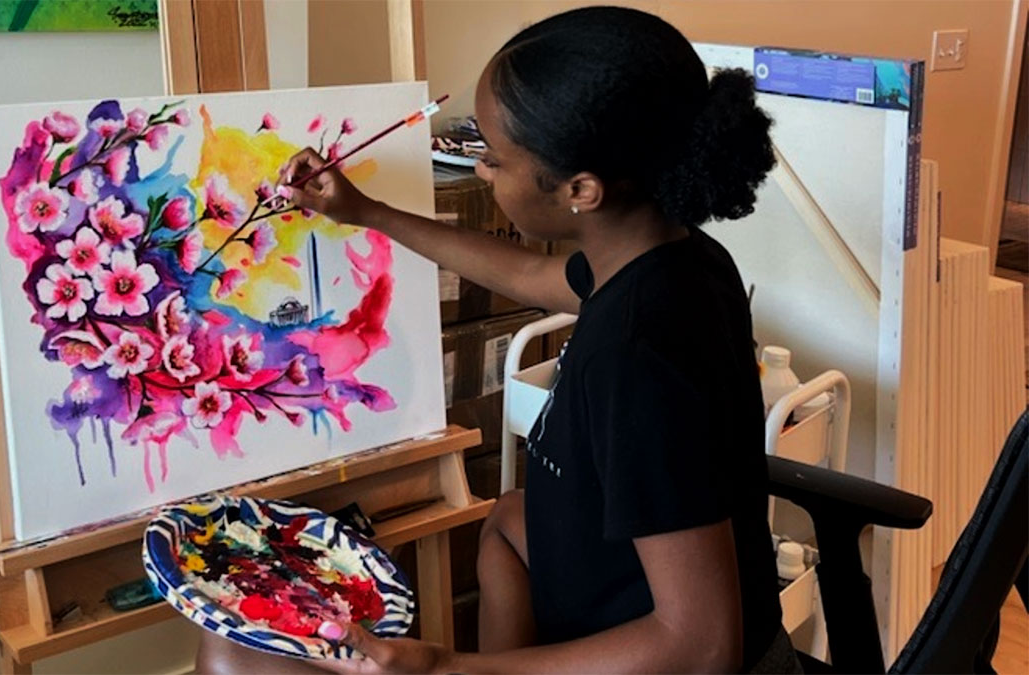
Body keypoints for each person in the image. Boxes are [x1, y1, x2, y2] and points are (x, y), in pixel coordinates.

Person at [198, 6, 798, 673]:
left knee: (232, 655)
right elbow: (525, 273)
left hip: (688, 659)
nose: (481, 171)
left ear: (580, 189)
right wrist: (366, 212)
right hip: (622, 598)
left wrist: (447, 667)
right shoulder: (671, 260)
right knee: (510, 521)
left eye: (492, 157)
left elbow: (702, 646)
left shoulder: (635, 355)